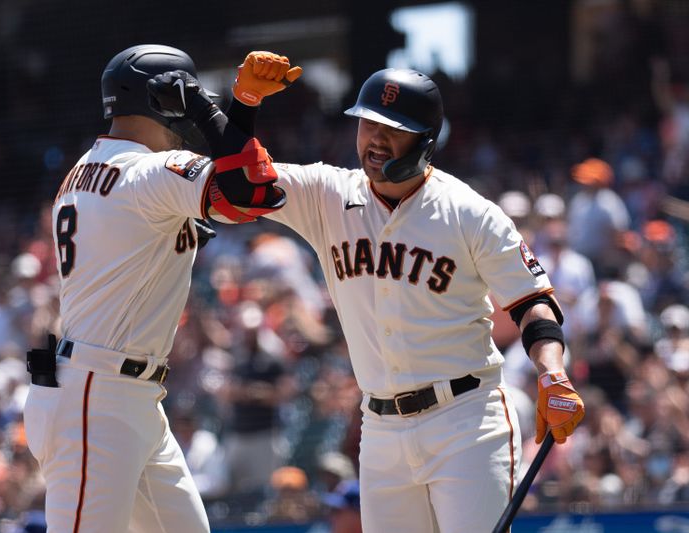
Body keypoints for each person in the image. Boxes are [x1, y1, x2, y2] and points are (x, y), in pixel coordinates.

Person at [200, 52, 587, 532]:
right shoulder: (327, 193)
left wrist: (552, 374)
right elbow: (239, 187)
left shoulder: (471, 213)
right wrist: (246, 102)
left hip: (466, 420)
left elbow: (534, 304)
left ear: (425, 141)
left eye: (393, 127)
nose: (375, 138)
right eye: (368, 124)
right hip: (380, 426)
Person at [22, 44, 289, 533]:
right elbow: (253, 191)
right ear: (168, 99)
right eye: (187, 97)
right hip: (96, 397)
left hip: (119, 394)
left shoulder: (84, 169)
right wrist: (229, 109)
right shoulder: (147, 172)